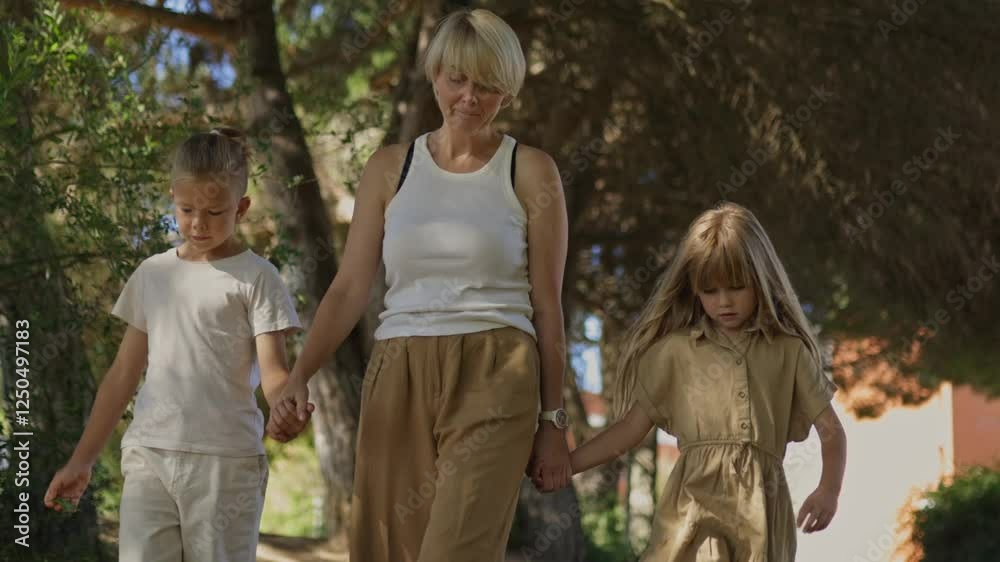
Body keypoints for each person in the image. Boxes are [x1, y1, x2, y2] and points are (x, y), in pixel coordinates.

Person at [266, 8, 573, 562]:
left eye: (487, 86)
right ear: (434, 75)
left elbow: (547, 306)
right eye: (457, 79)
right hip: (398, 370)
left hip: (497, 369)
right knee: (387, 551)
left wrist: (553, 421)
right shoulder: (390, 168)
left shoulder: (530, 171)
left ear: (507, 92)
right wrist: (299, 376)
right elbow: (349, 287)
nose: (469, 97)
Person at [43, 128, 313, 562]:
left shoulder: (258, 278)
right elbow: (122, 375)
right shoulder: (153, 274)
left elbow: (275, 373)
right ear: (172, 198)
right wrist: (82, 460)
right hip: (149, 453)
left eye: (214, 212)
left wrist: (287, 406)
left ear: (241, 208)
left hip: (226, 462)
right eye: (187, 209)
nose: (198, 223)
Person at [565, 202, 847, 561]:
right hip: (692, 508)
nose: (724, 302)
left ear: (761, 280)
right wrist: (568, 465)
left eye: (737, 287)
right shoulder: (675, 353)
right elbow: (630, 430)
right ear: (693, 289)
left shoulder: (789, 352)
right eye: (710, 291)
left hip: (763, 514)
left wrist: (828, 490)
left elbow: (831, 430)